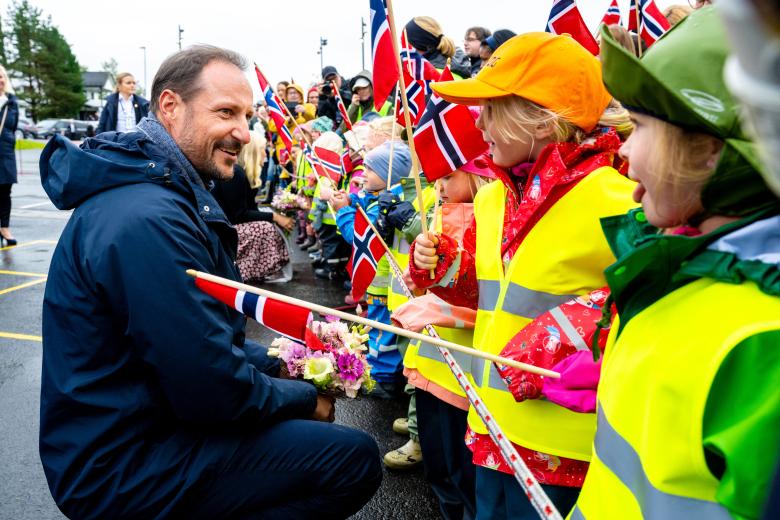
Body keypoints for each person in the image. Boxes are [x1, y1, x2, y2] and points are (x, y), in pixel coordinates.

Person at [38, 45, 382, 519]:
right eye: (225, 112)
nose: (243, 131)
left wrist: (289, 364)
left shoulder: (163, 193)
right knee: (350, 459)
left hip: (142, 426)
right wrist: (306, 398)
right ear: (170, 107)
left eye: (245, 114)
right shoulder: (147, 218)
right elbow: (208, 389)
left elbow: (205, 335)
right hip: (122, 462)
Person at [409, 32, 637, 519]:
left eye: (492, 105)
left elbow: (647, 297)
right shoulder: (492, 197)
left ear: (539, 114)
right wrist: (443, 261)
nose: (478, 121)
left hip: (566, 442)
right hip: (490, 422)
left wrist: (556, 334)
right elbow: (486, 292)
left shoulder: (618, 198)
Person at [571, 8, 780, 519]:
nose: (622, 147)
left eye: (639, 125)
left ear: (711, 152)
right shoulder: (679, 265)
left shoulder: (763, 340)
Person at [391, 156, 494, 517]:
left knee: (462, 476)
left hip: (463, 375)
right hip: (430, 364)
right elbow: (426, 283)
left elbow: (487, 295)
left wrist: (429, 307)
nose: (439, 185)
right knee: (439, 469)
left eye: (448, 176)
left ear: (479, 174)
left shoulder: (493, 215)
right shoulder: (440, 210)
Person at [211, 131, 294, 283]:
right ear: (253, 152)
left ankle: (258, 269)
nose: (266, 155)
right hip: (222, 231)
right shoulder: (235, 173)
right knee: (265, 228)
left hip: (227, 226)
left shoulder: (240, 172)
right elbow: (239, 215)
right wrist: (275, 217)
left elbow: (250, 209)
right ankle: (245, 271)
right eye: (263, 150)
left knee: (267, 222)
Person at [404, 16, 471, 78]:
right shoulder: (459, 64)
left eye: (404, 44)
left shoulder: (426, 78)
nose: (403, 50)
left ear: (417, 45)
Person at [0, 64, 18, 246]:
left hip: (5, 152)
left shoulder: (11, 102)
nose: (1, 80)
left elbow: (12, 127)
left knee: (5, 191)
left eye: (2, 76)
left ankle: (4, 228)